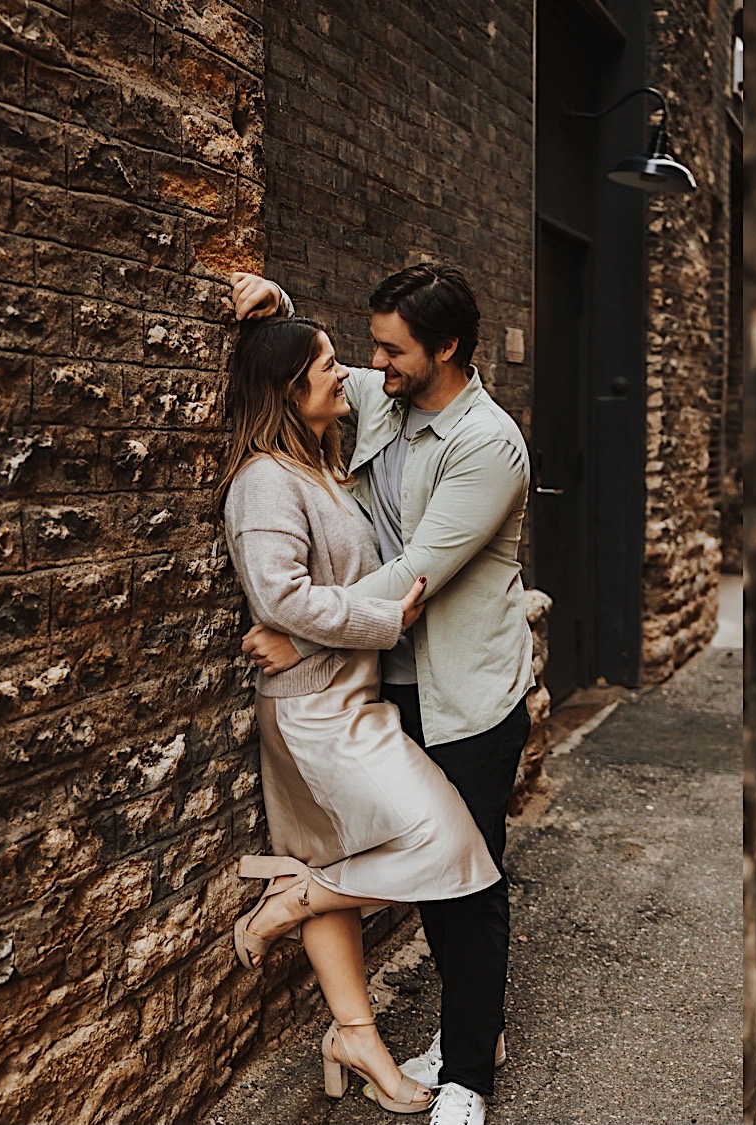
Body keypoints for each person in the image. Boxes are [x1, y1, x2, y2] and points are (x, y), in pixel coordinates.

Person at [230, 265, 533, 1125]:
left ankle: (469, 1070)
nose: (374, 364)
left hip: (464, 692)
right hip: (377, 685)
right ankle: (469, 1027)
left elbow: (413, 577)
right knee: (429, 865)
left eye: (392, 349)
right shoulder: (388, 393)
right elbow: (307, 371)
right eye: (370, 348)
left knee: (467, 878)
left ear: (446, 349)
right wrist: (278, 307)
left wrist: (300, 631)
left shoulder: (488, 444)